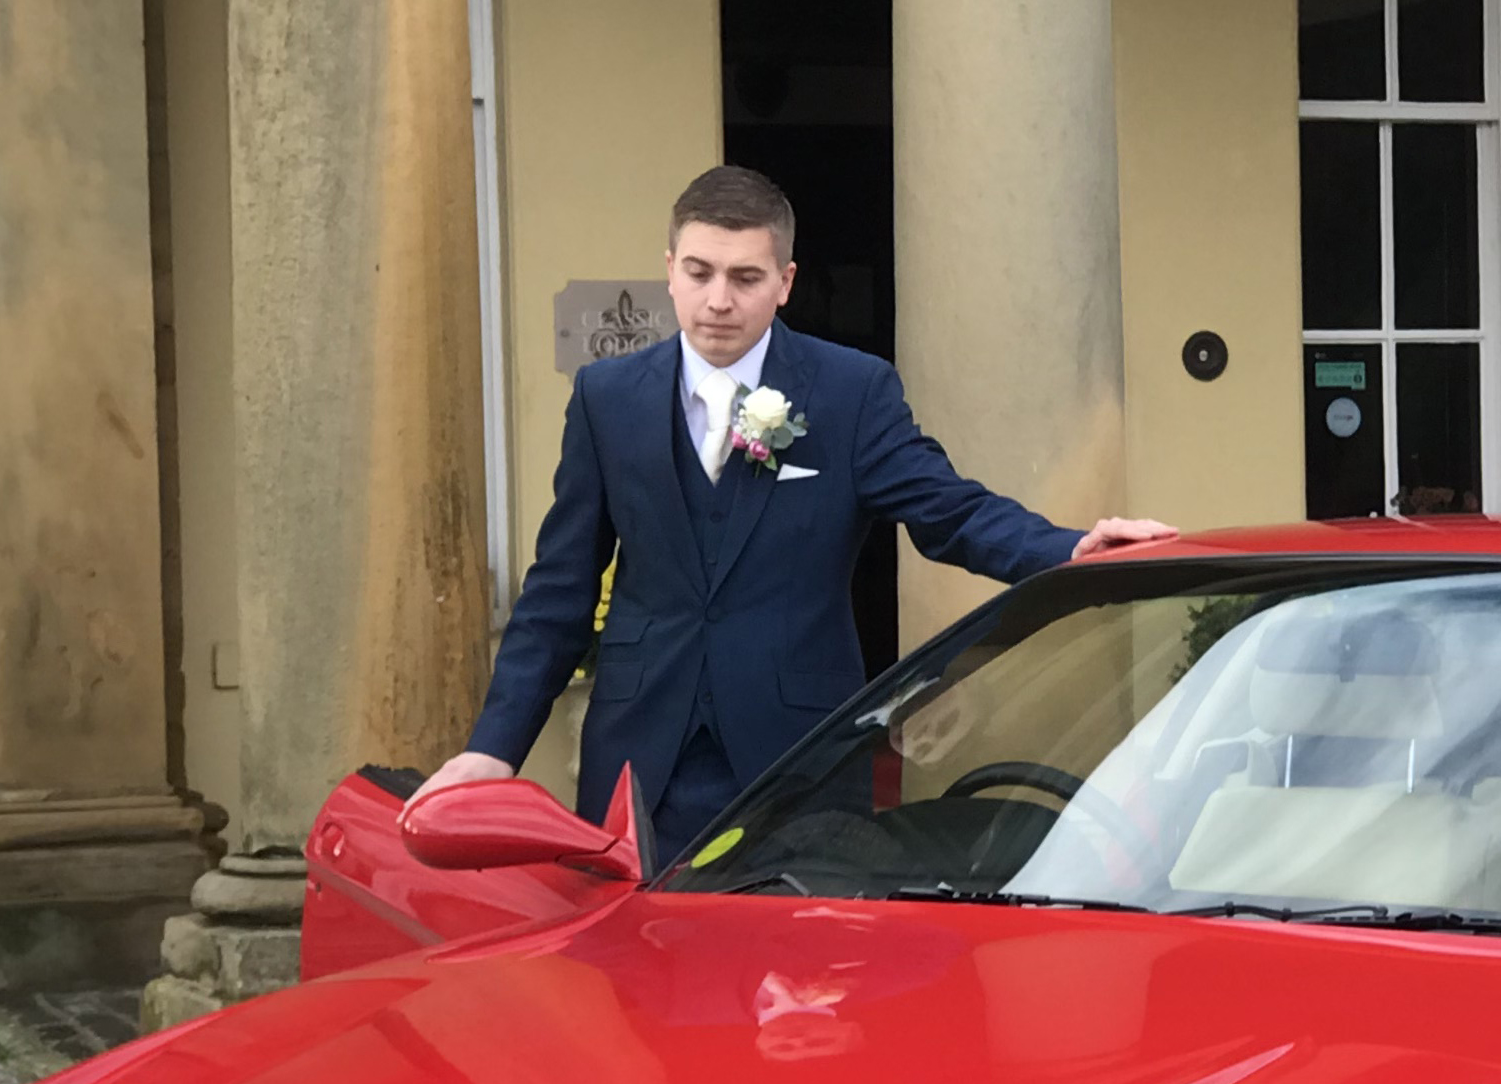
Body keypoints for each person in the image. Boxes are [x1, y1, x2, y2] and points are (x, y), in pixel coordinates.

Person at [427, 165, 1175, 858]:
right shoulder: (605, 398)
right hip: (639, 753)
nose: (719, 299)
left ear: (783, 283)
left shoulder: (851, 392)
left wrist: (1070, 548)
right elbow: (559, 590)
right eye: (700, 273)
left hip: (799, 753)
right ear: (670, 270)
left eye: (745, 277)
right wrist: (494, 746)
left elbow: (948, 511)